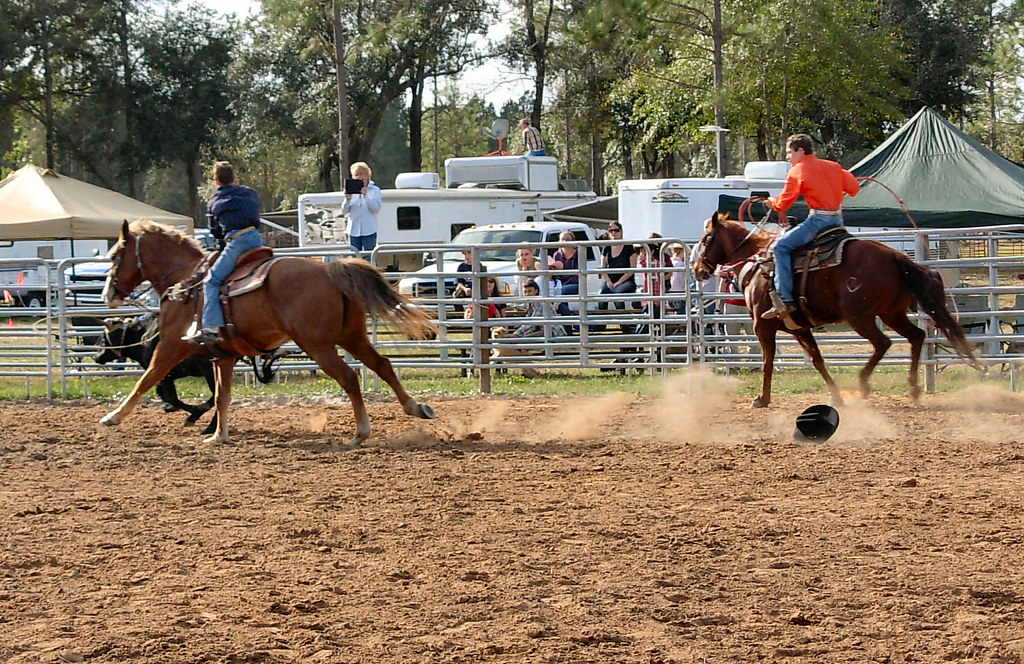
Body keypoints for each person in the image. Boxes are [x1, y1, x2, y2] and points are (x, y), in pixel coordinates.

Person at [763, 133, 860, 319]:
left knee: (780, 248)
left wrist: (771, 202)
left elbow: (783, 203)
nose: (787, 157)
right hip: (837, 221)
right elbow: (854, 189)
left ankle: (784, 299)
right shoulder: (834, 166)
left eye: (789, 152)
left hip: (818, 221)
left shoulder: (797, 171)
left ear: (800, 150)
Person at [183, 161, 263, 345]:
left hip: (237, 242)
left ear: (216, 181)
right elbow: (256, 217)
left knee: (211, 280)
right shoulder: (250, 193)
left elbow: (215, 231)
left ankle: (211, 326)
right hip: (256, 239)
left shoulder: (215, 202)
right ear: (234, 178)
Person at [341, 161, 382, 253]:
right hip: (353, 230)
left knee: (369, 256)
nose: (359, 177)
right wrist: (347, 199)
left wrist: (366, 196)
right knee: (355, 257)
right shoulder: (350, 190)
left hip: (369, 230)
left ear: (367, 175)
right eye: (356, 175)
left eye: (361, 174)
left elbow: (376, 209)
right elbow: (344, 211)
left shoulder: (375, 190)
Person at [598, 223, 637, 312]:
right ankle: (601, 324)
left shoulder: (628, 247)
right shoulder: (606, 247)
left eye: (616, 230)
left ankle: (623, 323)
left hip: (627, 281)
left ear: (621, 232)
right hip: (610, 280)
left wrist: (618, 283)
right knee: (601, 295)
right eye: (611, 231)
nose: (613, 233)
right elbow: (602, 267)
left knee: (617, 293)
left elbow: (632, 269)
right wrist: (608, 282)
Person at [550, 231, 580, 318]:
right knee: (560, 293)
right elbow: (556, 273)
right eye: (562, 239)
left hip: (575, 284)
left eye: (567, 239)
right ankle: (566, 319)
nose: (564, 241)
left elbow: (577, 275)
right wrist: (559, 284)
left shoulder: (578, 254)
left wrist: (562, 286)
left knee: (562, 291)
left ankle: (566, 318)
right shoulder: (557, 255)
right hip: (560, 284)